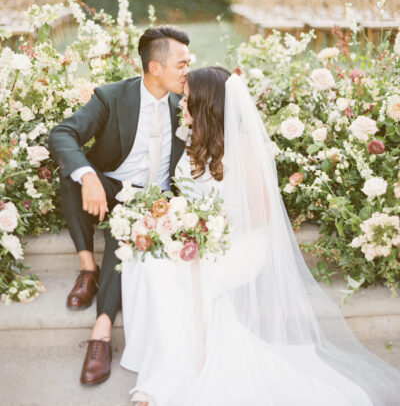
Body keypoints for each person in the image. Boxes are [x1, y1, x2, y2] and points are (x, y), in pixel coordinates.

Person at [120, 67, 400, 406]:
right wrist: (167, 221)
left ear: (207, 104)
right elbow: (189, 199)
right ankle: (161, 366)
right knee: (143, 260)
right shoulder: (194, 140)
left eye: (189, 98)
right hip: (204, 236)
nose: (183, 102)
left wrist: (206, 228)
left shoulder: (243, 146)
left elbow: (261, 213)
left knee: (169, 274)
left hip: (240, 244)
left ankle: (171, 380)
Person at [48, 25, 190, 385]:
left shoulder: (187, 101)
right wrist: (89, 175)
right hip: (112, 185)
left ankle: (102, 331)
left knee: (121, 235)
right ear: (155, 67)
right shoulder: (113, 97)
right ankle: (87, 268)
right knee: (72, 174)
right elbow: (63, 133)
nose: (188, 70)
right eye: (181, 63)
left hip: (158, 201)